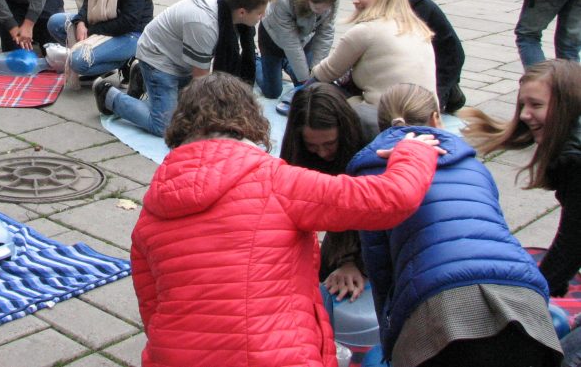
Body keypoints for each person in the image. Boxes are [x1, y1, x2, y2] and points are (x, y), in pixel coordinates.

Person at [130, 72, 444, 367]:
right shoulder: (277, 182)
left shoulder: (152, 210)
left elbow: (152, 311)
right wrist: (413, 152)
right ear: (250, 120)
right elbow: (391, 199)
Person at [350, 83, 563, 367]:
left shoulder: (374, 174)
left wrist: (391, 340)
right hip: (522, 297)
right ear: (436, 118)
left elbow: (379, 268)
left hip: (440, 309)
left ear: (382, 127)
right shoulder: (474, 165)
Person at [461, 59, 581, 300]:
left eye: (536, 105)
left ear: (567, 106)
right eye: (522, 105)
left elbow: (571, 244)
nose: (525, 114)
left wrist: (533, 294)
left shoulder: (575, 160)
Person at [97, 0, 271, 136]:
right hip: (158, 59)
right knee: (166, 126)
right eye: (259, 13)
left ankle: (142, 77)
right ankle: (108, 95)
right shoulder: (205, 25)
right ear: (242, 12)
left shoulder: (227, 4)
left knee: (188, 112)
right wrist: (217, 117)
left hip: (179, 58)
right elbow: (200, 82)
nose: (262, 17)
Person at [311, 0, 435, 131]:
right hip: (429, 121)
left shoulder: (366, 31)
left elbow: (323, 74)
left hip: (387, 121)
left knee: (316, 93)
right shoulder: (417, 28)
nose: (355, 0)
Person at [280, 83, 374, 301]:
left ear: (344, 131)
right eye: (312, 146)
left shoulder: (369, 137)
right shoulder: (297, 149)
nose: (322, 152)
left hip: (375, 218)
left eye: (330, 144)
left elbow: (373, 212)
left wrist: (352, 261)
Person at [355, 0, 466, 112]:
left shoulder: (412, 3)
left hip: (443, 62)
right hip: (427, 60)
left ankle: (451, 93)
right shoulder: (387, 1)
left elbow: (400, 47)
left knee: (423, 109)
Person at [257, 0, 340, 99]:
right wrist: (306, 81)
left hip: (304, 37)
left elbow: (326, 32)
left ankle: (286, 62)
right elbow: (291, 43)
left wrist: (316, 73)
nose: (321, 12)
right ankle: (257, 60)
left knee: (306, 83)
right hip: (273, 37)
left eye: (326, 9)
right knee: (272, 92)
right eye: (318, 8)